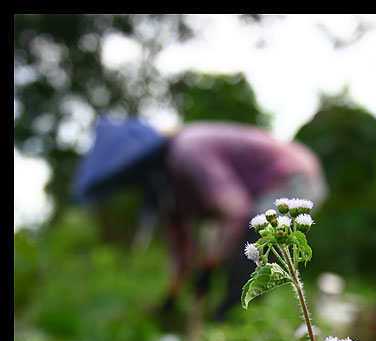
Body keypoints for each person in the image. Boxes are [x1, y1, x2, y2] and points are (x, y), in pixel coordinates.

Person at [73, 118, 327, 321]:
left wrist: (210, 264)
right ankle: (225, 326)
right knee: (241, 248)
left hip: (291, 179)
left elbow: (234, 209)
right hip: (263, 190)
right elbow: (179, 239)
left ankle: (235, 329)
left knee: (252, 252)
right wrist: (172, 293)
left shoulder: (187, 151)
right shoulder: (165, 184)